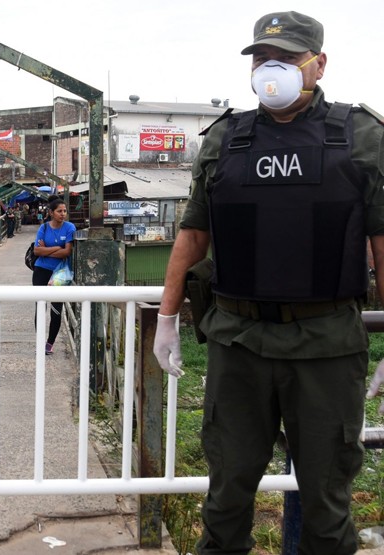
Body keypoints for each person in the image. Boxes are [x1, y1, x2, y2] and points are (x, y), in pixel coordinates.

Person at [152, 11, 384, 554]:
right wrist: (166, 317)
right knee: (227, 495)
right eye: (260, 59)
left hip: (326, 343)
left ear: (318, 65)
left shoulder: (362, 135)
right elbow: (192, 236)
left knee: (328, 503)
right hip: (238, 340)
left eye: (284, 58)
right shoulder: (226, 138)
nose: (269, 68)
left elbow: (382, 241)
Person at [33, 196, 76, 355]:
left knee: (56, 309)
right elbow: (37, 251)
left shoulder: (70, 228)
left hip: (60, 273)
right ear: (51, 212)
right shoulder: (43, 228)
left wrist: (48, 250)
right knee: (40, 306)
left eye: (64, 211)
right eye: (59, 211)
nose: (63, 214)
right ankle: (39, 342)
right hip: (41, 270)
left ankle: (49, 344)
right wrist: (58, 248)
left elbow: (67, 252)